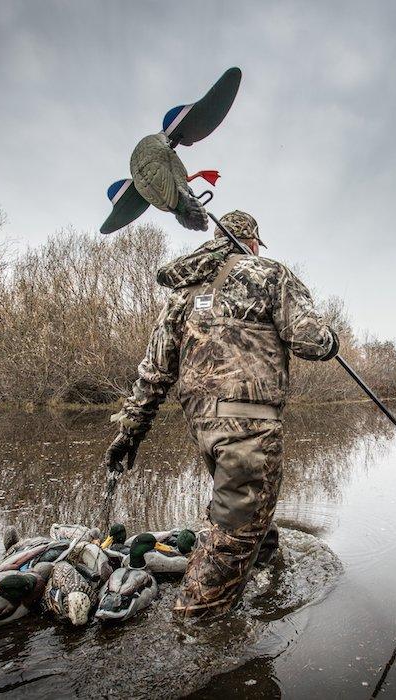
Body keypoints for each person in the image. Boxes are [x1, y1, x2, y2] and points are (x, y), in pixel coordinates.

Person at [102, 210, 339, 616]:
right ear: (251, 243)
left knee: (249, 522)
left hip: (204, 430)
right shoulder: (267, 274)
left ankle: (266, 576)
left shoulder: (181, 295)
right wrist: (332, 339)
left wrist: (128, 434)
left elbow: (154, 374)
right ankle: (193, 625)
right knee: (231, 542)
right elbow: (312, 342)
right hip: (250, 430)